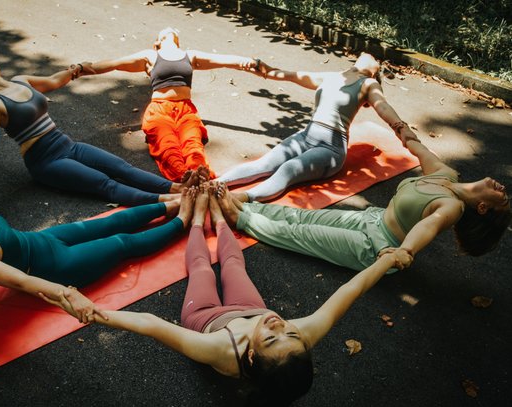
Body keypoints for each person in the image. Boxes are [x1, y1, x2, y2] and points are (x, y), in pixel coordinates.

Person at [43, 183, 413, 407]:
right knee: (235, 263)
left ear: (251, 356)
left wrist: (95, 312)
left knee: (203, 268)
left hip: (206, 319)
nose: (280, 326)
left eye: (272, 337)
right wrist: (385, 260)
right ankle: (220, 220)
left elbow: (152, 325)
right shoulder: (299, 337)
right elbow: (349, 291)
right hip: (246, 310)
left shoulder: (220, 352)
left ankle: (196, 220)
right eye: (291, 333)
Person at [0, 143, 196, 320]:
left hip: (46, 239)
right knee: (121, 243)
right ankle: (183, 219)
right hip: (57, 266)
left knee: (111, 222)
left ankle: (175, 202)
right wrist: (67, 295)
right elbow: (23, 282)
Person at [215, 138, 511, 271]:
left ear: (484, 208)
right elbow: (414, 142)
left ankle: (240, 218)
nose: (504, 189)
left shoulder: (453, 208)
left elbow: (430, 225)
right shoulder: (446, 175)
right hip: (372, 218)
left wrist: (406, 251)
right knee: (302, 218)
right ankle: (246, 207)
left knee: (300, 236)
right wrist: (394, 120)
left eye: (504, 199)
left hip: (378, 248)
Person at [0, 62, 182, 206]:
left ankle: (178, 188)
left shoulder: (21, 80)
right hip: (45, 161)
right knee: (105, 184)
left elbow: (53, 81)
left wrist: (75, 69)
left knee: (122, 167)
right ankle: (170, 201)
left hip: (68, 145)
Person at [217, 52, 418, 202]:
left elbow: (383, 107)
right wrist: (268, 71)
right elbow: (295, 75)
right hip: (306, 136)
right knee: (264, 164)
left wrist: (401, 128)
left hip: (330, 149)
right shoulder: (334, 76)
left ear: (375, 70)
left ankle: (243, 198)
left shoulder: (369, 85)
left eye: (375, 58)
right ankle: (213, 185)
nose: (369, 54)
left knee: (288, 169)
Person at [79, 27, 259, 182]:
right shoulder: (150, 55)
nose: (169, 29)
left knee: (193, 147)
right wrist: (83, 68)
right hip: (160, 110)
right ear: (158, 41)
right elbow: (115, 64)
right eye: (165, 32)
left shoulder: (190, 55)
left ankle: (200, 177)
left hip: (186, 110)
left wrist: (246, 62)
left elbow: (223, 60)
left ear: (177, 40)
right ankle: (185, 180)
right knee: (168, 148)